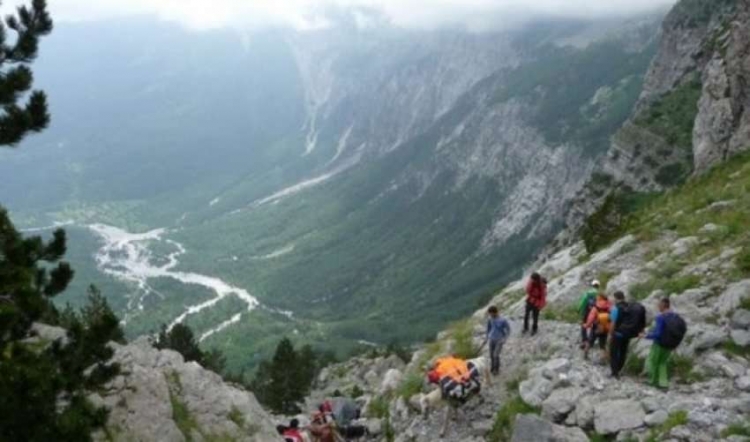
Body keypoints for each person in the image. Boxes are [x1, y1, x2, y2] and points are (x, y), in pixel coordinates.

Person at [642, 297, 686, 390]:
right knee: (663, 363)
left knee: (652, 361)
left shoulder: (661, 317)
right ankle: (663, 383)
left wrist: (645, 336)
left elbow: (657, 334)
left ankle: (652, 381)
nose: (658, 306)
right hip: (671, 344)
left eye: (659, 304)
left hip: (659, 343)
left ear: (663, 305)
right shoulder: (675, 316)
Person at [609, 291, 646, 379]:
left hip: (618, 333)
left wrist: (610, 334)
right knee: (623, 352)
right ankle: (619, 369)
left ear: (615, 298)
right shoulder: (628, 306)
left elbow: (613, 322)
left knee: (614, 353)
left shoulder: (616, 308)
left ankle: (615, 373)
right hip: (627, 333)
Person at [583, 293, 611, 361]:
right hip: (605, 328)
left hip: (596, 327)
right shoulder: (610, 306)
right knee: (603, 345)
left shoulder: (596, 307)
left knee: (590, 341)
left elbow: (591, 317)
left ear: (600, 298)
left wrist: (587, 325)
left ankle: (585, 355)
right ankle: (603, 359)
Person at [486, 306, 511, 375]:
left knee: (495, 355)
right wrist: (487, 337)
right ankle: (492, 366)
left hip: (499, 340)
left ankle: (496, 369)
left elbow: (508, 330)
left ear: (495, 312)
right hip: (491, 339)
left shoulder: (503, 320)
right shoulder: (490, 319)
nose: (490, 315)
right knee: (491, 355)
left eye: (491, 313)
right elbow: (488, 328)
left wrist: (504, 339)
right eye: (489, 314)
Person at [577, 280, 601, 348]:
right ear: (598, 286)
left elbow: (583, 301)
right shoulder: (599, 293)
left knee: (584, 325)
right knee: (594, 326)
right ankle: (591, 341)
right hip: (595, 312)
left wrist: (578, 309)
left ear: (592, 285)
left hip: (587, 311)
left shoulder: (588, 293)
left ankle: (584, 340)